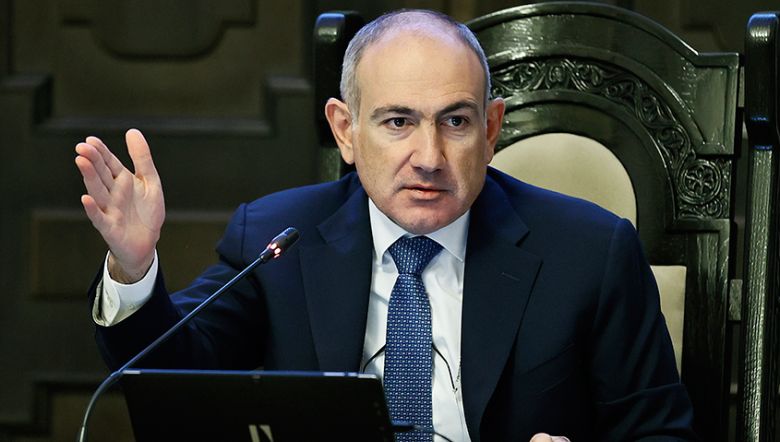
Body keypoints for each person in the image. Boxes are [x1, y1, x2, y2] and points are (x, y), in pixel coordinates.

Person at [75, 9, 695, 442]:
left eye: (455, 122)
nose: (429, 156)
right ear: (345, 130)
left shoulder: (589, 252)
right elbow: (171, 375)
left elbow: (660, 434)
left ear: (490, 129)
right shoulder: (277, 237)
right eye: (398, 122)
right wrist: (134, 267)